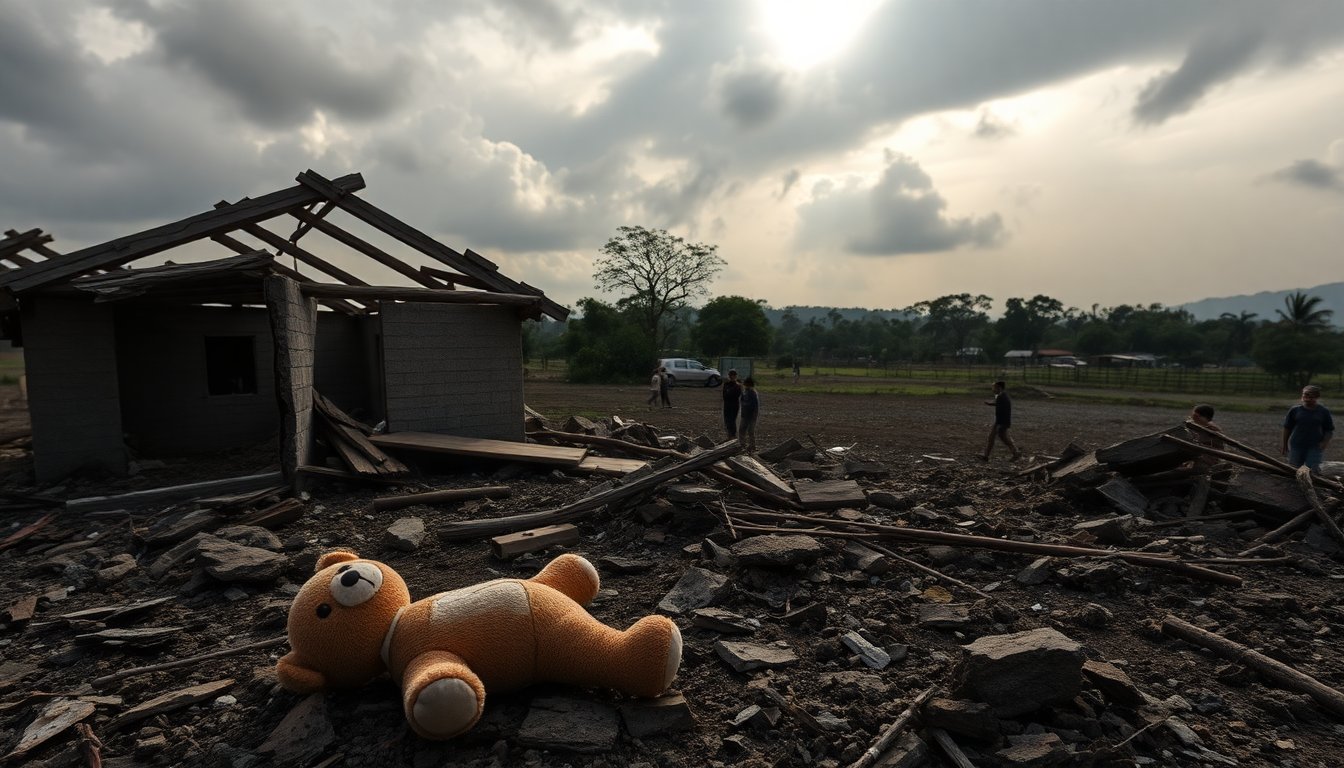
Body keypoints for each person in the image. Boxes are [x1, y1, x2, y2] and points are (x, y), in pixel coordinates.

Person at [1282, 385, 1333, 471]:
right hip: (1296, 445)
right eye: (1305, 394)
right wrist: (1285, 445)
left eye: (1310, 395)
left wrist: (1324, 443)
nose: (1307, 397)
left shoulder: (1323, 411)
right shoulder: (1295, 410)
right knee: (1293, 470)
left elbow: (1329, 430)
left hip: (1315, 446)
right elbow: (1287, 428)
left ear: (1317, 397)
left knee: (1313, 471)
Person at [981, 380, 1022, 461]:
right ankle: (986, 456)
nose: (993, 389)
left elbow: (1004, 409)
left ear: (999, 388)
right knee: (993, 438)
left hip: (1001, 422)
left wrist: (1001, 425)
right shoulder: (1002, 395)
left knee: (1003, 439)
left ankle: (1016, 453)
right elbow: (998, 403)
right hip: (1000, 421)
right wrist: (990, 404)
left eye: (995, 388)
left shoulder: (1001, 396)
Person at [739, 377, 760, 452]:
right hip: (745, 414)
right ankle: (742, 445)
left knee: (750, 431)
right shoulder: (745, 392)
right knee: (742, 430)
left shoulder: (752, 393)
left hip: (751, 415)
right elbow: (742, 401)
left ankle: (752, 446)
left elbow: (752, 405)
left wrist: (744, 405)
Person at [722, 369, 742, 438]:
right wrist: (729, 393)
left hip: (734, 405)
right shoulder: (726, 384)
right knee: (726, 420)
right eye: (731, 375)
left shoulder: (738, 385)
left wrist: (729, 392)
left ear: (735, 376)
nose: (732, 377)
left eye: (733, 375)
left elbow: (736, 395)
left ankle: (733, 435)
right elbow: (724, 395)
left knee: (732, 420)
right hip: (727, 404)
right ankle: (729, 435)